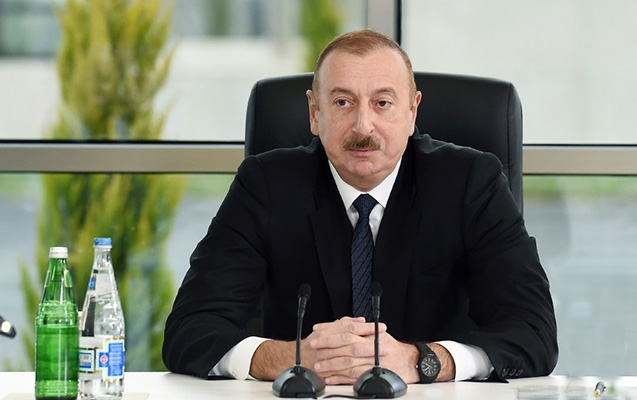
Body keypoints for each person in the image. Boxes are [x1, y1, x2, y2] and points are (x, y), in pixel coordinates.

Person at [162, 29, 558, 385]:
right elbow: (190, 330)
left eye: (382, 103)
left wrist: (421, 361)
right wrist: (293, 359)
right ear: (314, 113)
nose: (363, 127)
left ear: (412, 112)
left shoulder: (472, 182)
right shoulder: (265, 184)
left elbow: (533, 333)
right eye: (342, 102)